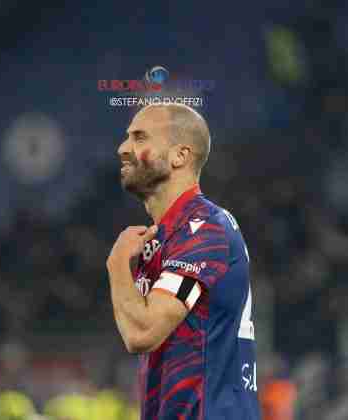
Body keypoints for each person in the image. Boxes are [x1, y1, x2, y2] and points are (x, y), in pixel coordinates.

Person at [106, 103, 261, 419]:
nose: (123, 148)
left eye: (140, 138)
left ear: (180, 155)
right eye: (127, 137)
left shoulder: (204, 227)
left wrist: (117, 263)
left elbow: (141, 333)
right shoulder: (166, 238)